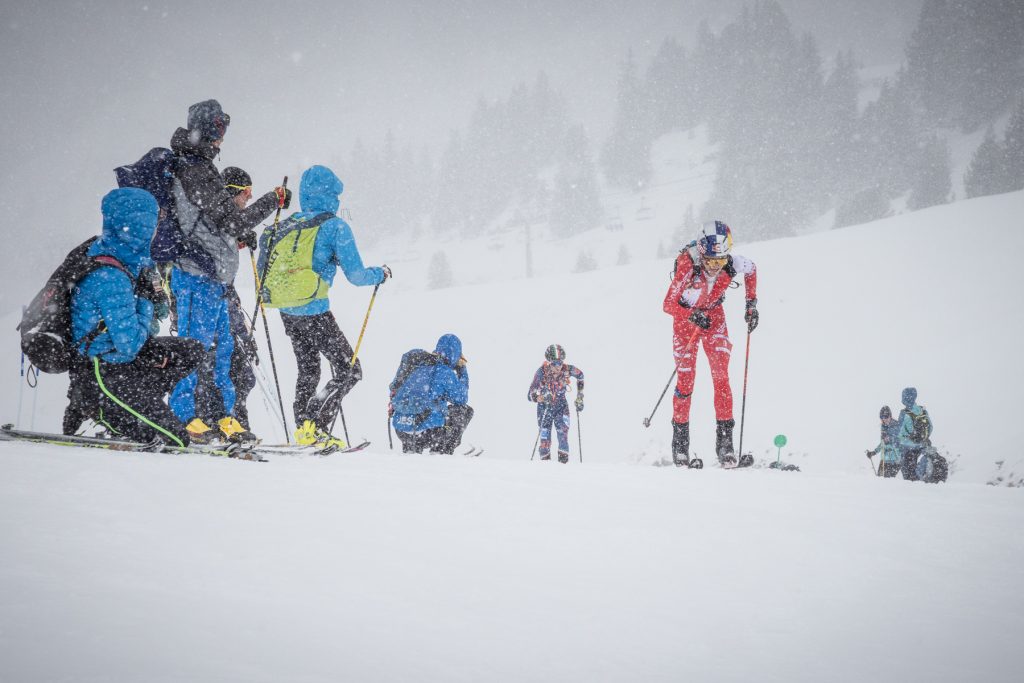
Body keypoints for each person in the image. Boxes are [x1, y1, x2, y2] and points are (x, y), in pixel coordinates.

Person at [165, 100, 289, 443]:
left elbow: (217, 223)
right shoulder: (192, 168)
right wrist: (272, 200)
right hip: (195, 275)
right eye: (220, 129)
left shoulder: (200, 165)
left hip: (214, 280)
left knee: (222, 354)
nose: (222, 138)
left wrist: (235, 237)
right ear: (209, 130)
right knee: (193, 349)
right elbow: (231, 220)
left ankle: (224, 417)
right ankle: (184, 416)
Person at [257, 164, 390, 447]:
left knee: (308, 369)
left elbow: (263, 269)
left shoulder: (282, 226)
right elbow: (357, 276)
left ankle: (303, 429)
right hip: (315, 311)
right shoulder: (335, 226)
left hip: (286, 310)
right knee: (349, 370)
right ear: (331, 195)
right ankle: (315, 425)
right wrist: (380, 274)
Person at [67, 188, 203, 445]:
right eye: (154, 222)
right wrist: (145, 301)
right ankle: (100, 409)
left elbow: (138, 335)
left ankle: (134, 405)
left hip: (121, 365)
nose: (156, 230)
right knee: (174, 440)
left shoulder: (128, 263)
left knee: (191, 351)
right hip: (102, 372)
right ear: (140, 225)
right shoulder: (111, 277)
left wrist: (148, 346)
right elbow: (129, 345)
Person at [662, 220, 758, 467]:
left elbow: (752, 269)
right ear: (702, 254)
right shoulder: (688, 264)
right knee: (686, 381)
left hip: (714, 318)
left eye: (721, 261)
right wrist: (692, 315)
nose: (716, 266)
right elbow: (668, 304)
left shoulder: (731, 263)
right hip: (686, 323)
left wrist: (751, 304)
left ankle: (725, 445)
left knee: (721, 377)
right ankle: (680, 446)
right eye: (711, 261)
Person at [193, 167, 259, 428]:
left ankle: (234, 426)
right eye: (246, 192)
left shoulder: (225, 225)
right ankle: (214, 424)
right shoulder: (212, 220)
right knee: (219, 374)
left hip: (222, 308)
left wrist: (243, 334)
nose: (249, 198)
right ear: (231, 193)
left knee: (242, 376)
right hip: (205, 310)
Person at [389, 334, 473, 454]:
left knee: (426, 410)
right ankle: (440, 451)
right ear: (456, 355)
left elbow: (395, 388)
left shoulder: (416, 366)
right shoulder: (444, 372)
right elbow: (462, 398)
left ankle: (411, 450)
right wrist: (462, 370)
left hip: (402, 431)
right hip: (429, 433)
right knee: (463, 411)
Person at [526, 344, 585, 463]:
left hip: (561, 406)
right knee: (545, 442)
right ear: (549, 363)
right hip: (544, 408)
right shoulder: (541, 372)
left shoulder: (567, 369)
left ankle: (563, 468)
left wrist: (580, 397)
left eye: (560, 363)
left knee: (562, 435)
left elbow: (580, 375)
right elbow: (530, 395)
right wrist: (541, 397)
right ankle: (545, 467)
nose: (558, 367)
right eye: (554, 364)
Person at [896, 387, 933, 481]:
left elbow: (899, 433)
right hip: (922, 445)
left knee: (909, 478)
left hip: (908, 448)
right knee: (917, 475)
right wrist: (922, 437)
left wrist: (900, 444)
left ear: (903, 398)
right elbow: (931, 427)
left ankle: (913, 487)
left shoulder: (904, 413)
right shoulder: (923, 411)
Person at [866, 405, 901, 477]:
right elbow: (883, 443)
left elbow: (900, 441)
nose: (884, 419)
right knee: (880, 481)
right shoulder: (883, 427)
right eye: (882, 417)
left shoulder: (897, 426)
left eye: (886, 417)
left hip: (895, 460)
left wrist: (890, 440)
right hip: (885, 459)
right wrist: (874, 452)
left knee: (891, 482)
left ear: (890, 416)